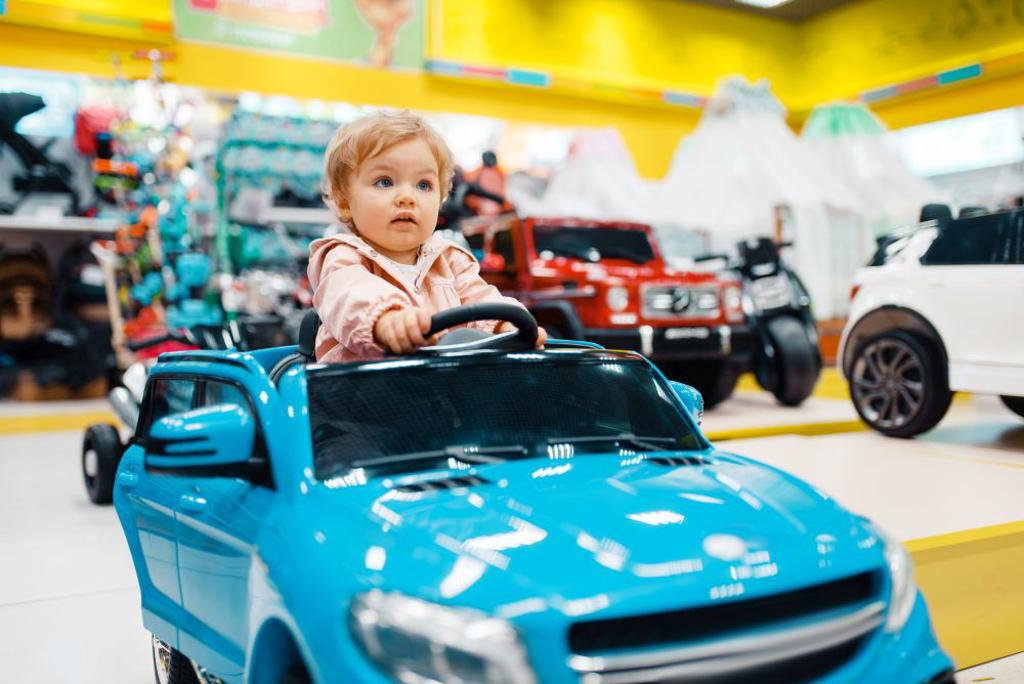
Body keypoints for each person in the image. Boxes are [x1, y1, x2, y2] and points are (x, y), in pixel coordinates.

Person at [309, 110, 545, 362]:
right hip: (365, 391)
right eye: (384, 182)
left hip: (442, 385)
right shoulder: (342, 257)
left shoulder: (450, 260)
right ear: (345, 201)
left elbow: (481, 298)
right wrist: (386, 319)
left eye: (424, 185)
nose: (407, 197)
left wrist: (505, 327)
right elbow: (349, 295)